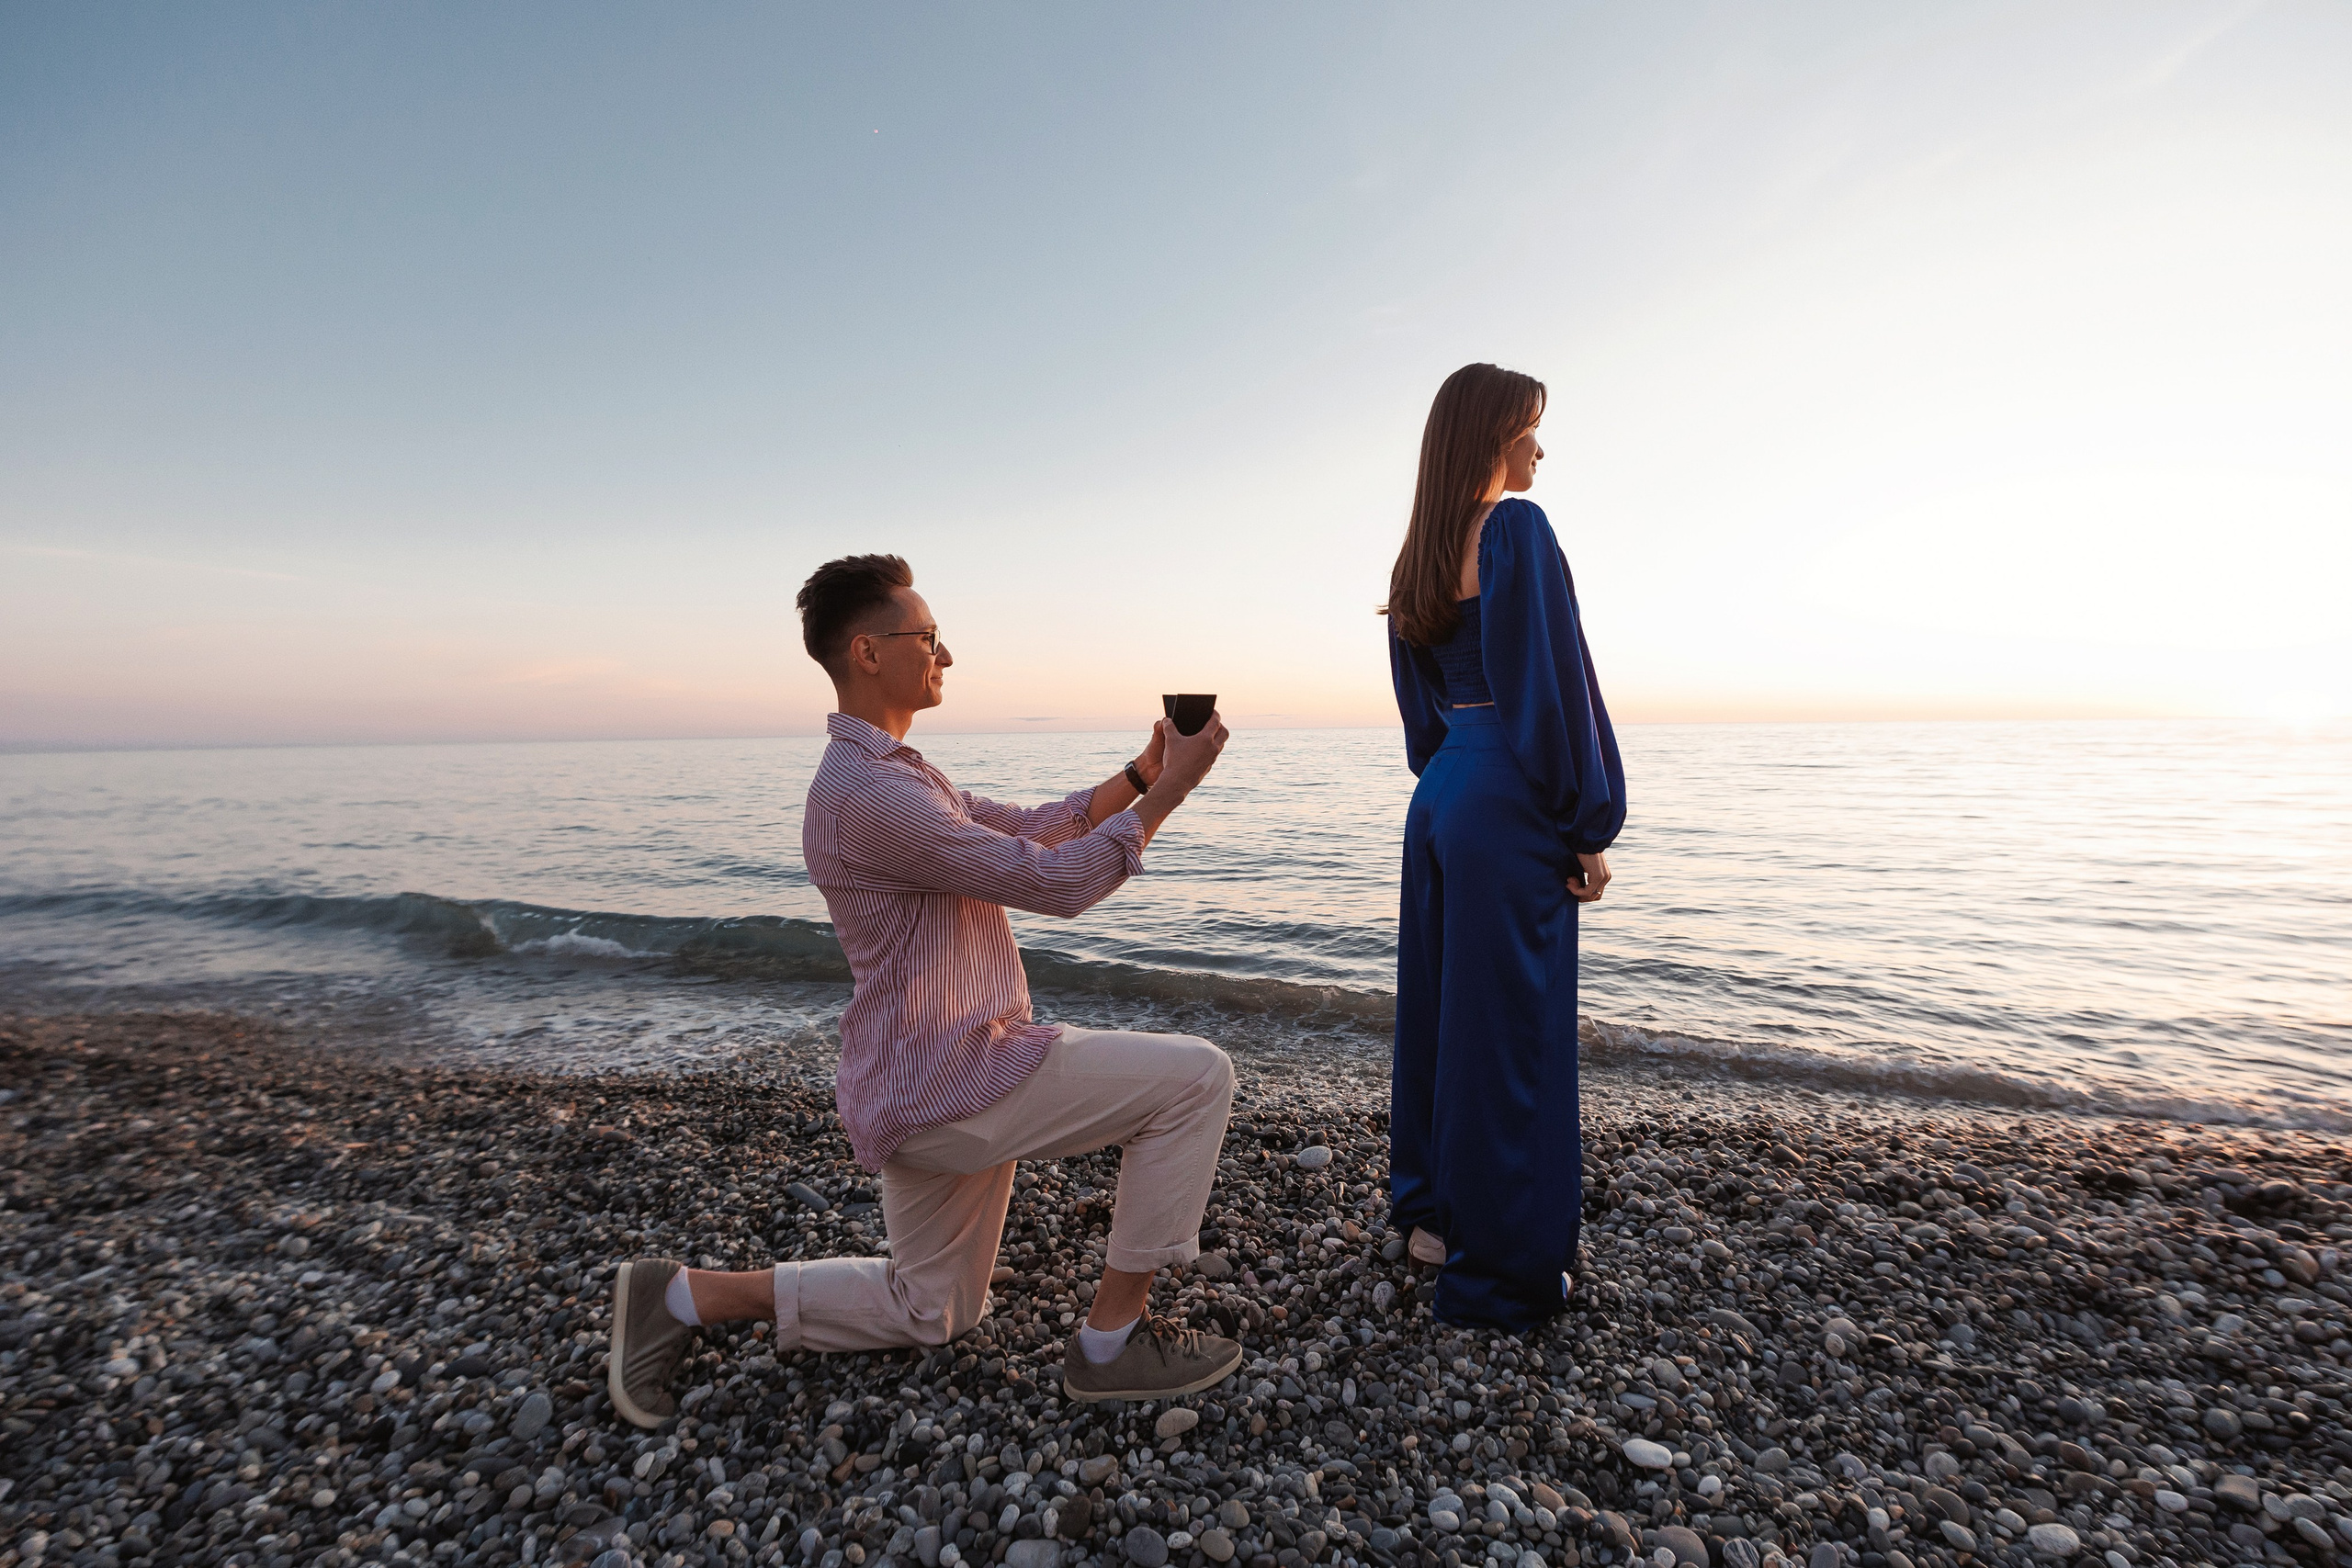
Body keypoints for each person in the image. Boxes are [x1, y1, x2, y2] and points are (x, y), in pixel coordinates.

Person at [605, 553, 1244, 1426]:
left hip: (916, 1084)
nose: (946, 655)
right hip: (958, 1076)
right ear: (868, 652)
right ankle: (1112, 1343)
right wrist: (1170, 794)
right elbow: (1055, 883)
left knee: (931, 1308)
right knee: (1197, 1077)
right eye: (930, 636)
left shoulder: (893, 775)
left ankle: (679, 1295)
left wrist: (1139, 773)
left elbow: (1033, 830)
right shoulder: (869, 793)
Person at [1384, 363, 1626, 1334]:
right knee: (1510, 1032)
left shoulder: (1418, 556)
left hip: (1443, 794)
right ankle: (1500, 1271)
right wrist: (1585, 821)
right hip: (1507, 795)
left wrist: (1458, 777)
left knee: (1442, 1013)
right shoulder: (1516, 530)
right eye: (1530, 427)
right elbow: (1552, 686)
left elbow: (1423, 717)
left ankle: (1433, 1219)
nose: (1539, 447)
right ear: (1491, 434)